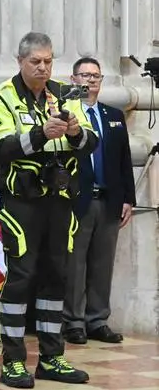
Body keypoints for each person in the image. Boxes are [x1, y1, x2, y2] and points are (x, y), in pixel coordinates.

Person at [0, 32, 96, 388]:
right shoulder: (1, 97)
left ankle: (52, 357)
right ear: (20, 61)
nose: (44, 67)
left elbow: (91, 142)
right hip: (22, 203)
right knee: (21, 277)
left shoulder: (65, 93)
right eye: (36, 62)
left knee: (55, 276)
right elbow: (1, 149)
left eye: (48, 61)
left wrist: (76, 132)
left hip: (59, 202)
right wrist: (41, 135)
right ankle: (13, 361)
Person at [63, 57, 134, 345]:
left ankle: (97, 320)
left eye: (96, 76)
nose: (91, 81)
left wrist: (128, 198)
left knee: (102, 263)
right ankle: (73, 321)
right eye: (85, 75)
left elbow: (123, 160)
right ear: (73, 80)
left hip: (109, 199)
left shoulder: (113, 115)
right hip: (78, 199)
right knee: (75, 263)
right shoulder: (67, 114)